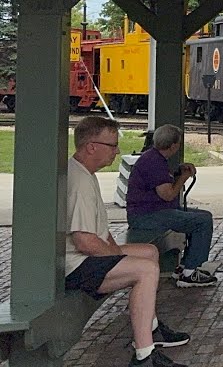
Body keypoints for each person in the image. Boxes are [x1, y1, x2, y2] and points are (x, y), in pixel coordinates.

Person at [67, 115, 192, 367]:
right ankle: (144, 354)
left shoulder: (85, 172)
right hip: (75, 265)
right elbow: (84, 241)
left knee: (148, 252)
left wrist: (118, 253)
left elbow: (99, 232)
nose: (117, 152)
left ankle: (152, 326)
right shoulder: (79, 181)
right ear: (91, 146)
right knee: (145, 269)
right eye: (112, 146)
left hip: (87, 256)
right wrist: (120, 259)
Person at [126, 124, 217, 288]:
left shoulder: (154, 158)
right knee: (202, 221)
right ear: (174, 145)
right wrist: (183, 178)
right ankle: (189, 272)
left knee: (201, 216)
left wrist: (177, 173)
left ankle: (185, 266)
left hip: (151, 212)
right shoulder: (154, 162)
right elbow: (167, 194)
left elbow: (162, 182)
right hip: (148, 216)